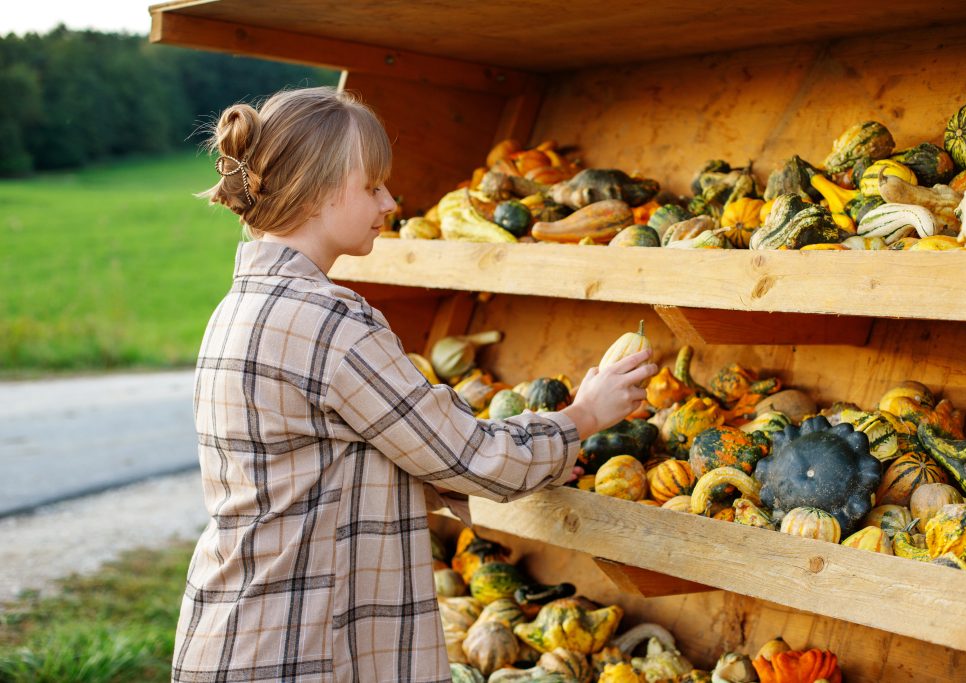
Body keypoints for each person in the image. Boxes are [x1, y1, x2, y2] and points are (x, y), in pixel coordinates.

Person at [172, 86, 656, 683]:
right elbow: (466, 456)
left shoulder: (237, 308)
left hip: (236, 631)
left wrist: (548, 457)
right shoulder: (329, 322)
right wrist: (584, 415)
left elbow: (327, 470)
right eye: (373, 185)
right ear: (320, 192)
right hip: (302, 648)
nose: (391, 201)